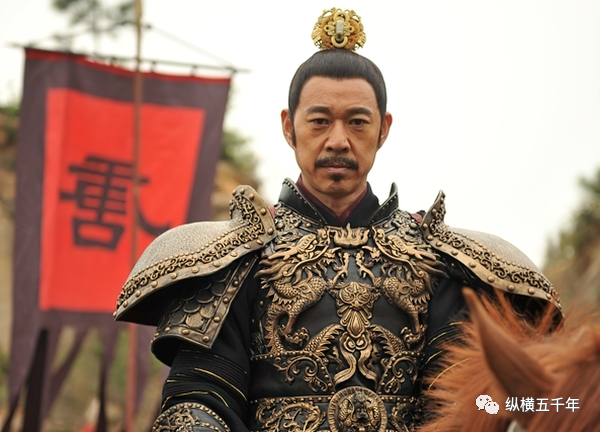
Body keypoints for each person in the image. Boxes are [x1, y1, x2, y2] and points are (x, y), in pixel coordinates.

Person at [114, 8, 560, 432]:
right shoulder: (240, 254)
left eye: (357, 122)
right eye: (320, 121)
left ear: (384, 128)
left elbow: (460, 401)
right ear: (289, 126)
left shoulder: (438, 259)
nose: (339, 141)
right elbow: (200, 398)